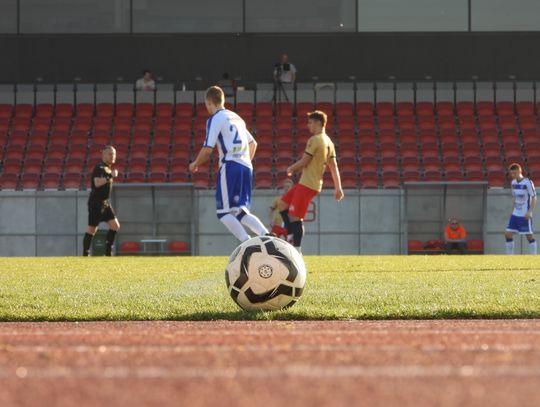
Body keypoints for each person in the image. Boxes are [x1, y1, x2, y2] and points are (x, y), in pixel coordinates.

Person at [188, 86, 269, 242]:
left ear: (209, 102)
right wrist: (244, 162)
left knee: (223, 213)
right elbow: (254, 144)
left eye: (207, 106)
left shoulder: (216, 118)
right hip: (246, 166)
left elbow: (207, 150)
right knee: (241, 212)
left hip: (230, 165)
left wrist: (195, 164)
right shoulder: (237, 118)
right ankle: (266, 235)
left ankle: (247, 242)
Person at [278, 111, 344, 253]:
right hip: (307, 183)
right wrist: (338, 188)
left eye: (310, 122)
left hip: (308, 184)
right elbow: (333, 166)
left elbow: (305, 160)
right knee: (282, 204)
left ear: (318, 123)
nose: (308, 126)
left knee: (295, 216)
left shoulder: (315, 140)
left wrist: (291, 168)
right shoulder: (329, 142)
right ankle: (290, 237)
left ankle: (297, 250)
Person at [83, 145, 120, 256]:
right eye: (110, 154)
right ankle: (85, 253)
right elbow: (97, 183)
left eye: (114, 154)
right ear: (103, 155)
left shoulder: (108, 168)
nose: (113, 156)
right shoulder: (99, 167)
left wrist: (110, 174)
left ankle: (108, 253)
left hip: (105, 202)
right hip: (96, 202)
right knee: (92, 229)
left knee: (115, 226)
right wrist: (110, 176)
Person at [505, 163, 537, 255]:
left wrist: (530, 212)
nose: (512, 175)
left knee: (529, 236)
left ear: (520, 171)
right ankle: (509, 258)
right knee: (507, 234)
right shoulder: (513, 183)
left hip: (524, 214)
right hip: (515, 213)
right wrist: (512, 210)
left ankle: (534, 258)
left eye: (514, 173)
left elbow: (534, 197)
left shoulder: (528, 183)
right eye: (511, 173)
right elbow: (514, 198)